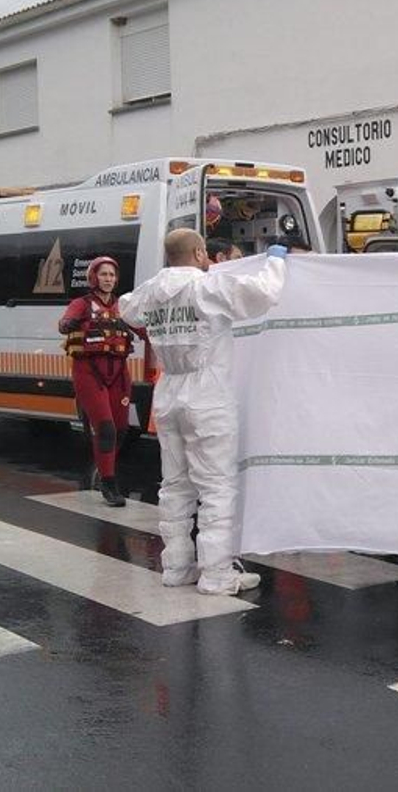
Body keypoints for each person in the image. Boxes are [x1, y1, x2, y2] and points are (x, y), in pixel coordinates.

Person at [119, 229, 288, 595]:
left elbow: (126, 307)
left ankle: (177, 566)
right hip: (208, 395)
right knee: (216, 487)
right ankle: (216, 573)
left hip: (169, 392)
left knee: (176, 485)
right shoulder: (208, 288)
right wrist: (275, 259)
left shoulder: (150, 292)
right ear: (199, 253)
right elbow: (263, 294)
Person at [59, 257, 143, 507]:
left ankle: (104, 466)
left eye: (112, 275)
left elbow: (143, 331)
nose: (108, 279)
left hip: (119, 373)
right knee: (105, 428)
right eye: (104, 274)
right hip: (89, 372)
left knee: (121, 430)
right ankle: (109, 482)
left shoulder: (123, 306)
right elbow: (64, 324)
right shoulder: (81, 304)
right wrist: (68, 324)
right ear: (94, 277)